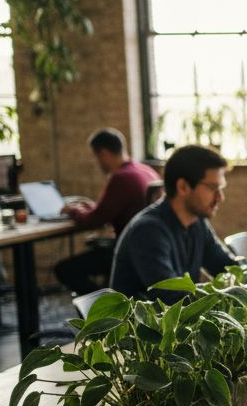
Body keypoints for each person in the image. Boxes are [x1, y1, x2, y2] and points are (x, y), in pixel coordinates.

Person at [110, 145, 236, 302]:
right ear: (183, 187)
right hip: (143, 318)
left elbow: (228, 268)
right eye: (213, 188)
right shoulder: (148, 231)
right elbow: (173, 298)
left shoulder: (197, 223)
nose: (220, 197)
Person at [54, 128, 162, 295]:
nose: (96, 163)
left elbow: (94, 220)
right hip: (150, 248)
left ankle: (103, 303)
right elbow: (109, 209)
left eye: (96, 157)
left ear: (103, 153)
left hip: (128, 252)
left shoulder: (121, 177)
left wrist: (73, 211)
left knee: (64, 269)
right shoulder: (145, 170)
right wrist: (92, 207)